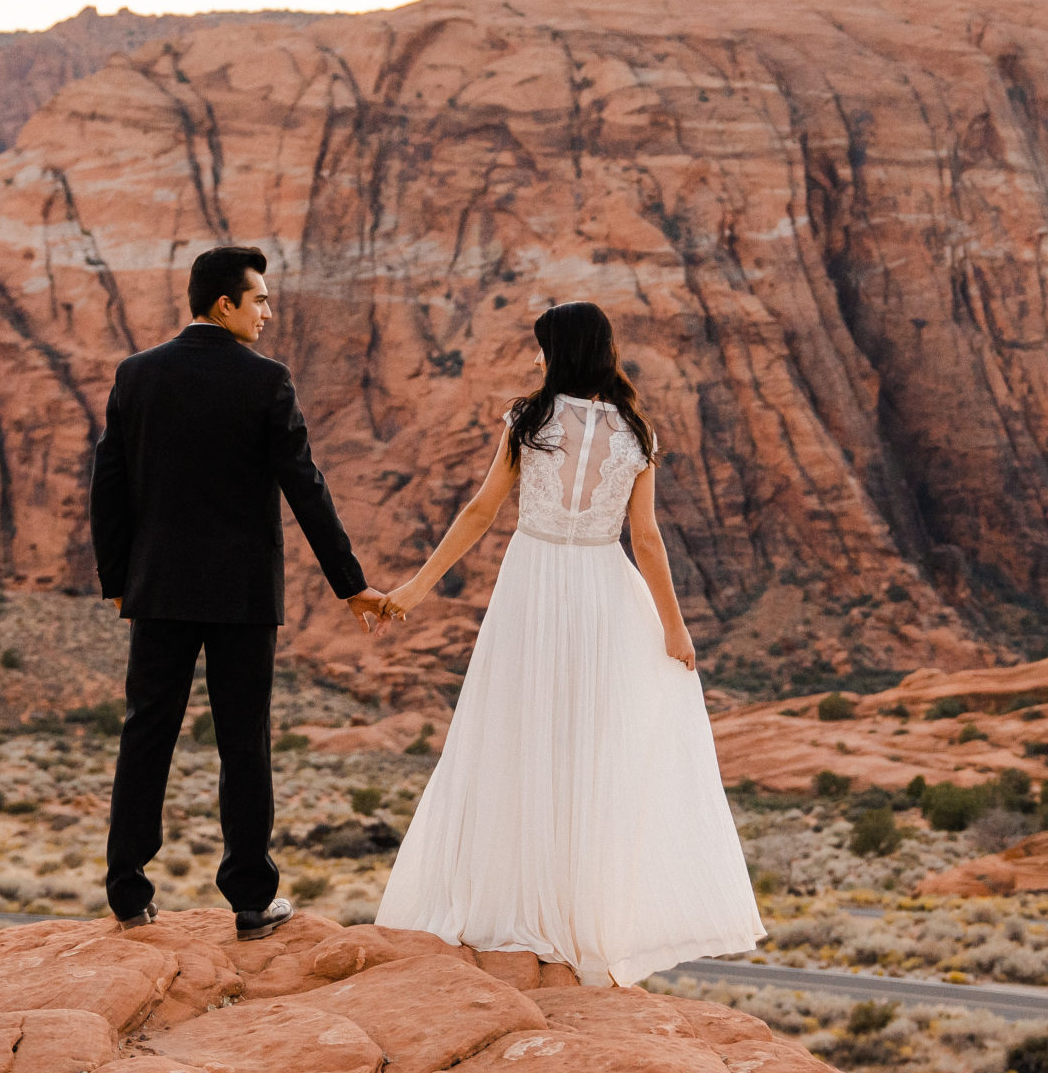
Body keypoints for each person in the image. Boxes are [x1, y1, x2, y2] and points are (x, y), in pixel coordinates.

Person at [374, 301, 763, 985]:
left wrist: (414, 588)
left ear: (557, 353)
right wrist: (675, 626)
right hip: (602, 594)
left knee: (517, 737)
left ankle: (517, 901)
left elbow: (480, 511)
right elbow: (644, 538)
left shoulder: (529, 418)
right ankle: (577, 916)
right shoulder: (635, 432)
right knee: (589, 748)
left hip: (533, 583)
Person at [91, 245, 394, 938]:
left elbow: (107, 486)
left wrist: (118, 581)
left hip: (159, 588)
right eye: (258, 298)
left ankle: (127, 891)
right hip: (242, 593)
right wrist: (351, 584)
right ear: (224, 302)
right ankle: (252, 899)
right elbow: (305, 487)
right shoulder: (267, 381)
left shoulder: (136, 375)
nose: (267, 310)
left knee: (146, 732)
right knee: (244, 741)